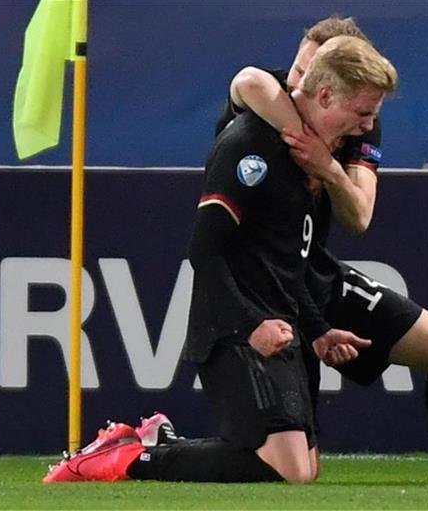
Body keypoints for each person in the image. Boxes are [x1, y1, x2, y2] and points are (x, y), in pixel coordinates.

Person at [211, 16, 428, 483]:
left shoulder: (358, 123)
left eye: (312, 69)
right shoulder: (269, 97)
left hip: (315, 275)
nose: (299, 81)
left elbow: (360, 216)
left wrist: (325, 166)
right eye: (299, 67)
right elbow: (248, 81)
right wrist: (303, 136)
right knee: (299, 468)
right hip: (268, 281)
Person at [43, 35, 396, 484]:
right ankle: (127, 458)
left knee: (305, 469)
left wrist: (319, 331)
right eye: (362, 113)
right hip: (233, 326)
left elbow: (290, 266)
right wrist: (251, 324)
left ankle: (160, 444)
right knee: (287, 470)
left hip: (280, 321)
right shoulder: (252, 144)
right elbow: (204, 250)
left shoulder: (307, 164)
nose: (366, 127)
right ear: (325, 95)